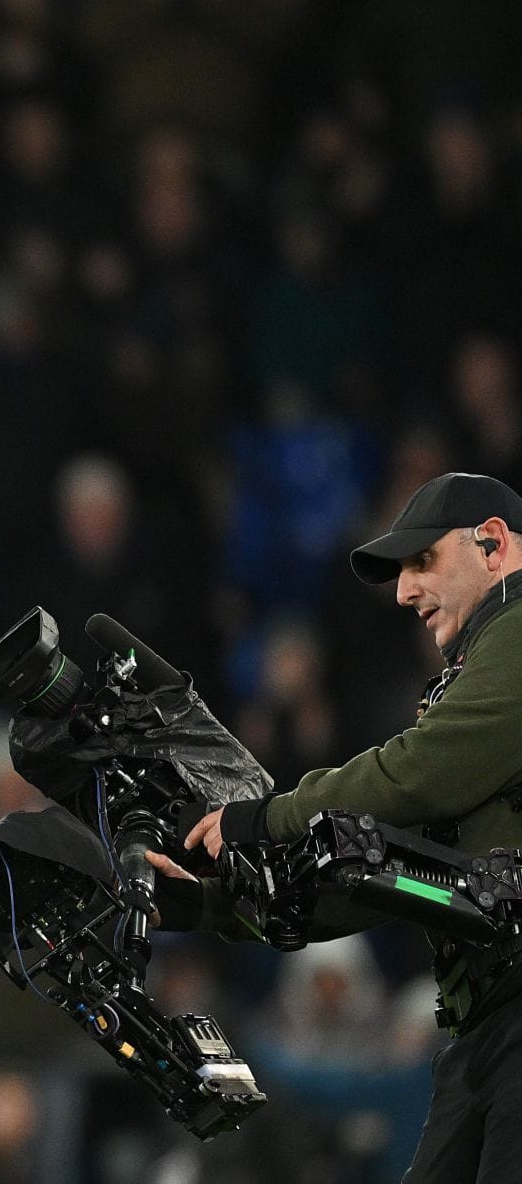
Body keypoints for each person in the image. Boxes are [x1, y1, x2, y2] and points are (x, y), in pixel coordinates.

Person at [154, 471, 522, 1183]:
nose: (404, 591)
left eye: (423, 562)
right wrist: (209, 903)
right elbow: (370, 873)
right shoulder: (476, 670)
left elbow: (415, 773)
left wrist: (268, 815)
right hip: (487, 1024)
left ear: (494, 544)